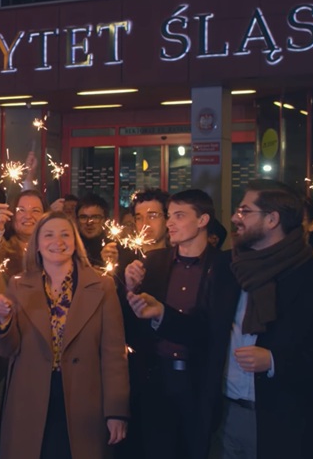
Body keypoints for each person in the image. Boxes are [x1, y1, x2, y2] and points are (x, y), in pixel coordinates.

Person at [125, 179, 313, 459]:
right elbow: (204, 331)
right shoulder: (228, 267)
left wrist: (274, 361)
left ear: (272, 219)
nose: (235, 218)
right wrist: (161, 313)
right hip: (225, 414)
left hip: (284, 420)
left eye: (245, 211)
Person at [0, 211, 129, 458]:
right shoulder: (18, 284)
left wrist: (116, 411)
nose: (58, 241)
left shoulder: (102, 285)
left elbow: (114, 355)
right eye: (49, 235)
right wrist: (4, 321)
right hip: (30, 400)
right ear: (37, 244)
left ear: (75, 242)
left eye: (65, 235)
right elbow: (7, 350)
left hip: (84, 402)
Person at [119, 189, 218, 459]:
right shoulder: (153, 262)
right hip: (156, 378)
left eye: (179, 216)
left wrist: (162, 314)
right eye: (170, 216)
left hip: (199, 380)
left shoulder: (222, 266)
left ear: (202, 220)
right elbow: (131, 323)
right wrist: (130, 288)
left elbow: (212, 328)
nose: (171, 223)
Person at [0, 189, 46, 278]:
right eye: (21, 210)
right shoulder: (2, 252)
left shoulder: (55, 250)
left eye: (35, 210)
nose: (28, 216)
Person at [74, 194, 110, 267]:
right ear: (76, 220)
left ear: (105, 220)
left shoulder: (115, 248)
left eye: (95, 217)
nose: (89, 222)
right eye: (83, 217)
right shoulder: (70, 248)